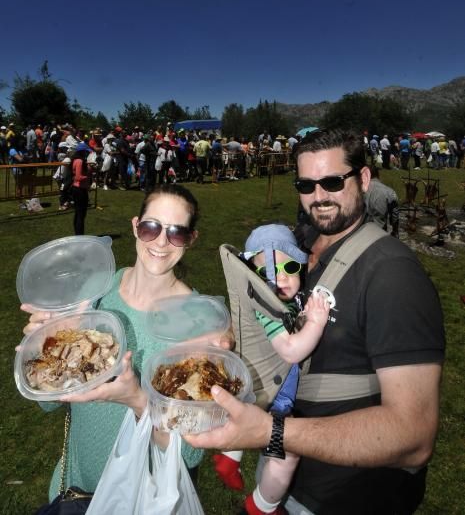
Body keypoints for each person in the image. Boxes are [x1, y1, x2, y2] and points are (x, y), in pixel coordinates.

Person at [186, 129, 445, 515]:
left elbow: (413, 435)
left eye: (332, 181)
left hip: (343, 495)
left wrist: (271, 431)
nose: (318, 196)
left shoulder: (392, 275)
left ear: (364, 179)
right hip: (291, 473)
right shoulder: (307, 248)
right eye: (306, 185)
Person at [20, 184, 220, 503]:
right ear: (135, 227)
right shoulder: (97, 291)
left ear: (191, 240)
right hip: (75, 486)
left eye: (177, 233)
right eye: (150, 227)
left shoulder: (199, 324)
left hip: (138, 497)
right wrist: (44, 345)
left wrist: (138, 400)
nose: (161, 241)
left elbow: (190, 453)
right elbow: (48, 402)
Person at [213, 224, 329, 515]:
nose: (281, 278)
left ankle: (229, 457)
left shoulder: (283, 305)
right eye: (268, 271)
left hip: (271, 391)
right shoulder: (269, 311)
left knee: (250, 412)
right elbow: (291, 350)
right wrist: (315, 322)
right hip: (278, 400)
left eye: (289, 266)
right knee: (287, 455)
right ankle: (262, 505)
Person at [364, 166, 399, 236]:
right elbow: (395, 215)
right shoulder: (389, 192)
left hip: (359, 233)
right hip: (379, 234)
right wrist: (395, 231)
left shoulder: (357, 190)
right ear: (378, 175)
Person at [71, 142, 92, 235]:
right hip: (80, 190)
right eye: (86, 152)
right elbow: (78, 177)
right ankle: (80, 235)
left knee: (78, 213)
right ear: (82, 152)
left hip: (77, 189)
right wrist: (88, 176)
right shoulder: (79, 161)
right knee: (81, 214)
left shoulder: (76, 160)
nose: (87, 153)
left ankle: (78, 233)